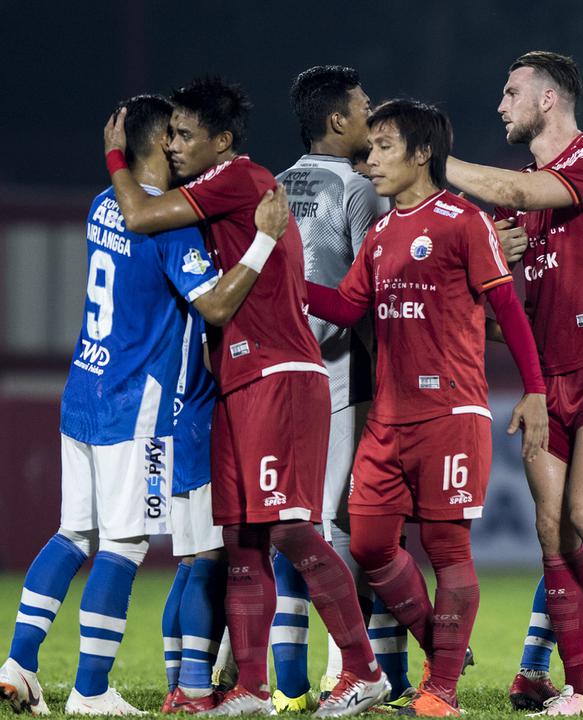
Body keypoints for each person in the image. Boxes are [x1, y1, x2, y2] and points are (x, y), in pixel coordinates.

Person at [103, 76, 388, 716]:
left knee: (291, 528)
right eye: (169, 133)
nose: (173, 146)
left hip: (280, 373)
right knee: (242, 538)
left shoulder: (242, 179)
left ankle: (364, 671)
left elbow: (140, 214)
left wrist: (117, 157)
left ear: (222, 142)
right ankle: (253, 689)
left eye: (184, 135)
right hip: (237, 379)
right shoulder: (217, 192)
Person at [0, 93, 278, 716]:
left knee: (73, 532)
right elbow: (213, 306)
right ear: (158, 145)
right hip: (138, 405)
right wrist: (261, 246)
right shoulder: (169, 225)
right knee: (123, 546)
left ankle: (17, 663)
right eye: (174, 137)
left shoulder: (103, 204)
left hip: (82, 390)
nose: (182, 148)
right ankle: (91, 692)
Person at [302, 98, 546, 717]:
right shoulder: (382, 232)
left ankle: (441, 691)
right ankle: (441, 650)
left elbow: (510, 311)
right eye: (371, 147)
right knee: (369, 545)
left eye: (383, 147)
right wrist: (282, 278)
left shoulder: (464, 222)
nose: (371, 158)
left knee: (447, 550)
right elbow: (347, 308)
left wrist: (535, 391)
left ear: (421, 154)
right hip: (387, 417)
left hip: (451, 414)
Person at [446, 51, 583, 715]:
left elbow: (513, 192)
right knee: (554, 531)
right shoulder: (527, 207)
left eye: (510, 92)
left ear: (548, 100)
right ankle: (581, 687)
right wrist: (485, 264)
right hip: (549, 381)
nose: (500, 105)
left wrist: (434, 166)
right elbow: (497, 319)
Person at [268, 64, 410, 712]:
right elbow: (370, 295)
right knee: (339, 522)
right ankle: (344, 670)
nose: (372, 119)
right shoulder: (358, 187)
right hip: (335, 370)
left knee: (285, 518)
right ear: (337, 123)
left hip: (271, 371)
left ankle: (284, 680)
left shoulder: (272, 185)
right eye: (363, 108)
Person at [160, 304, 226, 715]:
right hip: (207, 430)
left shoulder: (173, 293)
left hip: (176, 428)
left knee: (189, 562)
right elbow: (211, 356)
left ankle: (176, 686)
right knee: (212, 561)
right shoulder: (209, 288)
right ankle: (196, 686)